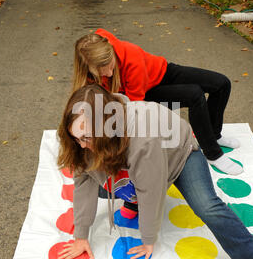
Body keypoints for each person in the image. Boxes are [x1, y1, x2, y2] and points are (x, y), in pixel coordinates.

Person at [57, 84, 253, 259]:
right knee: (102, 185)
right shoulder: (85, 136)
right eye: (77, 139)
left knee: (207, 207)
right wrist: (80, 235)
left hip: (180, 155)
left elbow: (150, 190)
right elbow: (83, 181)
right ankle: (131, 199)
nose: (82, 145)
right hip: (141, 164)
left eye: (86, 138)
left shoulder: (142, 139)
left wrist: (148, 238)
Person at [72, 29, 242, 177]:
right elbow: (134, 109)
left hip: (160, 72)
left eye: (111, 66)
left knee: (222, 84)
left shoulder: (130, 57)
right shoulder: (89, 58)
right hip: (142, 95)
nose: (109, 73)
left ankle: (214, 135)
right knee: (195, 95)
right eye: (103, 71)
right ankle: (212, 153)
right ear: (89, 67)